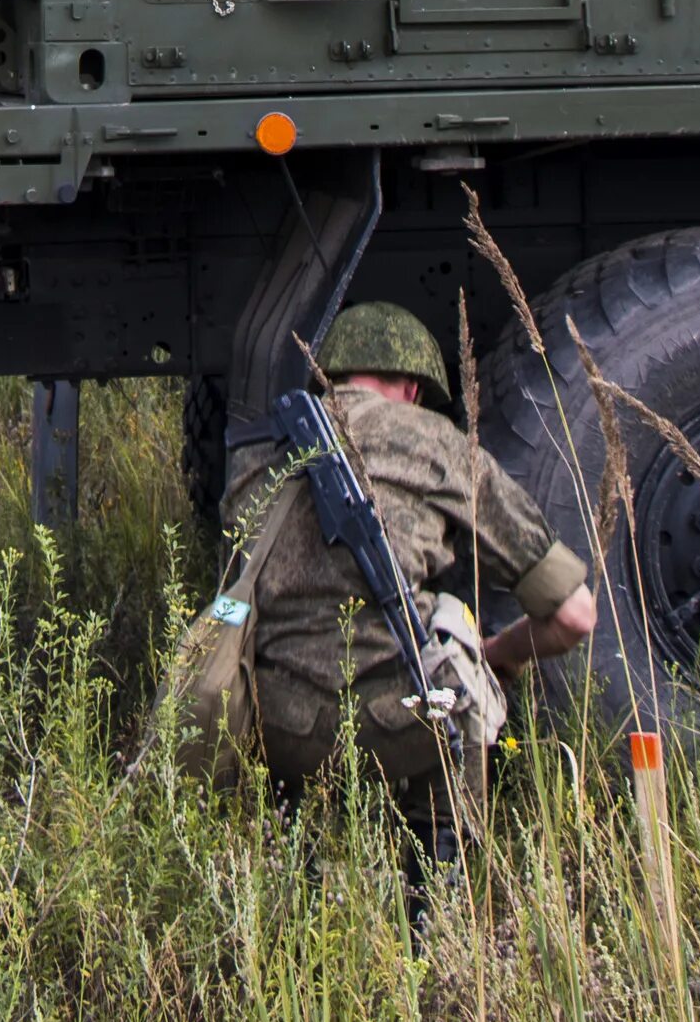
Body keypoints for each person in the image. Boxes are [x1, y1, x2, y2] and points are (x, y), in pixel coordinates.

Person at [230, 301, 596, 837]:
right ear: (412, 389)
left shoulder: (256, 454)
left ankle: (288, 860)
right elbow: (573, 615)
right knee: (453, 646)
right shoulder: (433, 439)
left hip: (273, 726)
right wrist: (497, 657)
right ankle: (441, 882)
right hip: (404, 720)